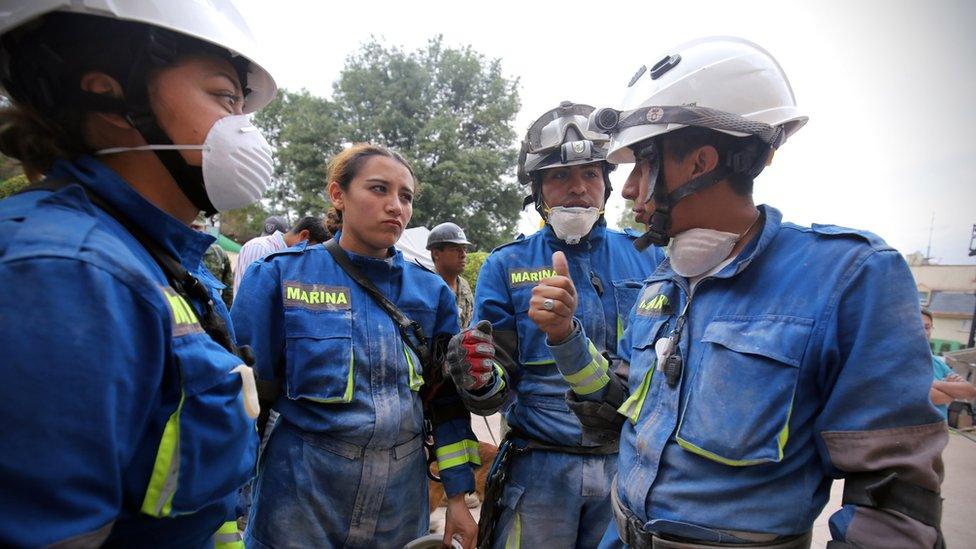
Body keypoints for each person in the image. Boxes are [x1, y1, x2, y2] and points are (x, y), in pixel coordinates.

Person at [533, 37, 947, 547]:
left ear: (700, 162)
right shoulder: (661, 282)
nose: (630, 188)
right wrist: (564, 336)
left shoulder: (848, 278)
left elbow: (895, 494)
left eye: (642, 164)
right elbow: (629, 406)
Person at [0, 1, 276, 546]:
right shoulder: (66, 273)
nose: (243, 127)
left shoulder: (164, 260)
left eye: (243, 105)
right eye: (224, 96)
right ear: (111, 98)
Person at [232, 143, 480, 548]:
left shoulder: (431, 293)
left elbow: (445, 400)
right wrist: (228, 511)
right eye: (379, 189)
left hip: (398, 507)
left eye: (405, 196)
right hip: (299, 503)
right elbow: (243, 408)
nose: (395, 206)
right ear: (338, 195)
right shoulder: (278, 278)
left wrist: (457, 498)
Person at [446, 102, 663, 548]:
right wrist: (478, 377)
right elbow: (494, 392)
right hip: (538, 471)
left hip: (626, 468)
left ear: (607, 183)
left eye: (590, 174)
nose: (578, 189)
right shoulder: (506, 266)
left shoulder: (650, 257)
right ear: (538, 190)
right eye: (560, 176)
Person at [233, 215, 327, 293]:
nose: (311, 256)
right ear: (304, 236)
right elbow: (251, 298)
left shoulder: (286, 257)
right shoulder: (260, 248)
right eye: (312, 250)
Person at [924, 309, 976, 418]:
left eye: (927, 327)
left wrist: (934, 384)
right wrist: (952, 391)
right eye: (918, 327)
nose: (924, 332)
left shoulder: (937, 362)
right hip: (914, 431)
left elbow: (970, 392)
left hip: (939, 430)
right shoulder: (900, 362)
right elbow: (928, 396)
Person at [428, 222, 475, 329]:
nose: (463, 255)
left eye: (464, 249)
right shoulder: (425, 286)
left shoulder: (464, 285)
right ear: (436, 254)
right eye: (456, 249)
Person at [192, 214, 235, 309]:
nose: (193, 230)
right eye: (190, 226)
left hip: (213, 313)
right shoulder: (176, 251)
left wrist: (225, 313)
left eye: (197, 227)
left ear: (205, 229)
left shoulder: (218, 253)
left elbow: (228, 287)